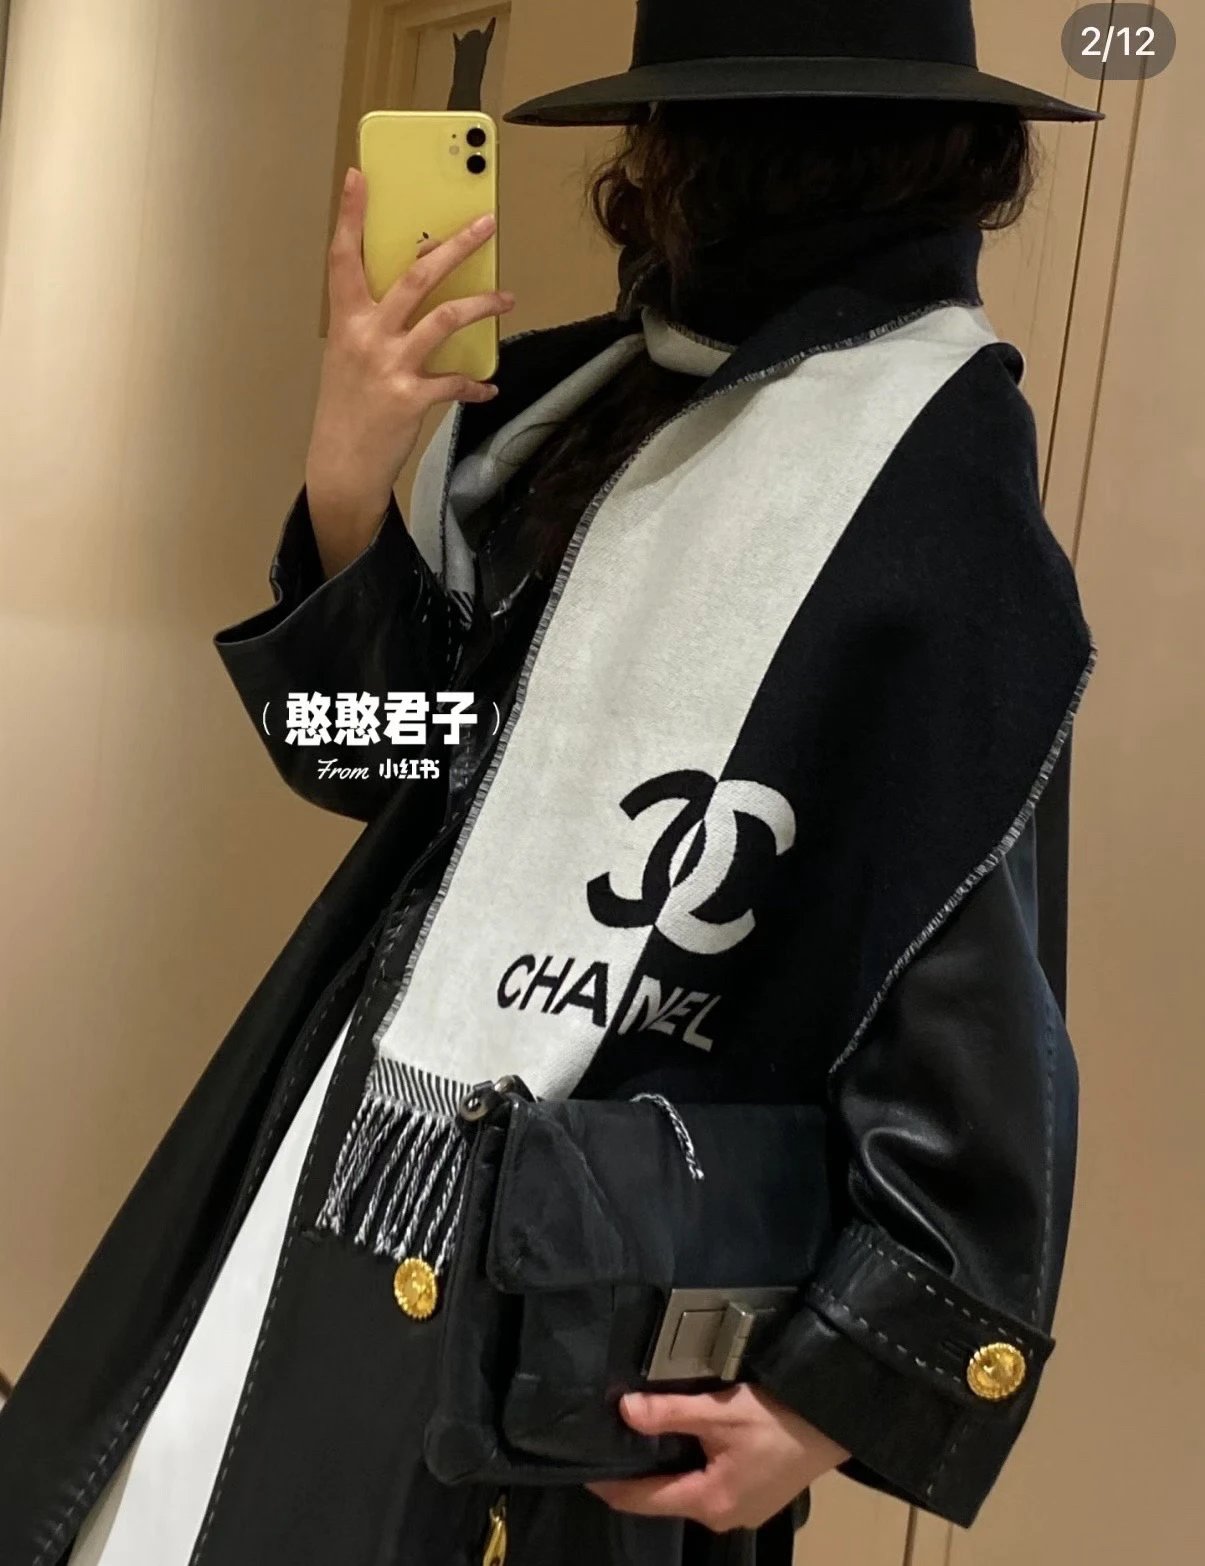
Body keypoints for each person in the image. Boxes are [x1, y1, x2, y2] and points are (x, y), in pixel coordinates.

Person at [0, 3, 1100, 1564]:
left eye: (674, 138)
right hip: (361, 1162)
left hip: (588, 1278)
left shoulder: (932, 495)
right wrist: (350, 472)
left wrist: (839, 1385)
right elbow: (373, 759)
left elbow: (971, 979)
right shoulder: (567, 411)